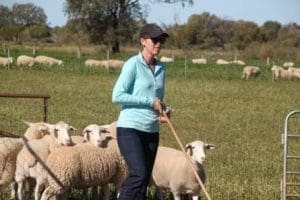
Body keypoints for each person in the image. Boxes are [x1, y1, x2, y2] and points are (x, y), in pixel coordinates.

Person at [112, 23, 170, 199]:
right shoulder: (133, 64)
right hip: (130, 128)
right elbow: (117, 95)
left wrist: (164, 109)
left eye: (161, 40)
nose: (158, 44)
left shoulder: (161, 68)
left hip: (152, 130)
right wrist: (148, 102)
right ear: (143, 41)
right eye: (155, 40)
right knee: (138, 174)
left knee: (144, 181)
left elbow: (156, 99)